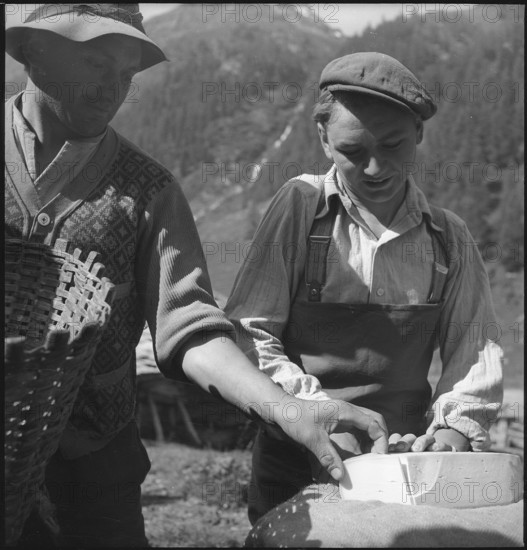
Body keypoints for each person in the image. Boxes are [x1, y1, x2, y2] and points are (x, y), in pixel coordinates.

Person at [5, 8, 389, 547]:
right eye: (94, 63)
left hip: (94, 479)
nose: (112, 90)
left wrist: (287, 407)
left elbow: (189, 327)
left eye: (125, 75)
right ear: (31, 53)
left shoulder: (148, 192)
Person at [225, 52, 504, 524]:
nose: (375, 168)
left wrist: (454, 429)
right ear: (323, 138)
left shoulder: (448, 237)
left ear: (418, 133)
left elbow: (473, 348)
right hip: (294, 458)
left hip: (403, 465)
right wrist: (315, 411)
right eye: (353, 152)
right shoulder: (301, 207)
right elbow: (250, 333)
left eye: (393, 145)